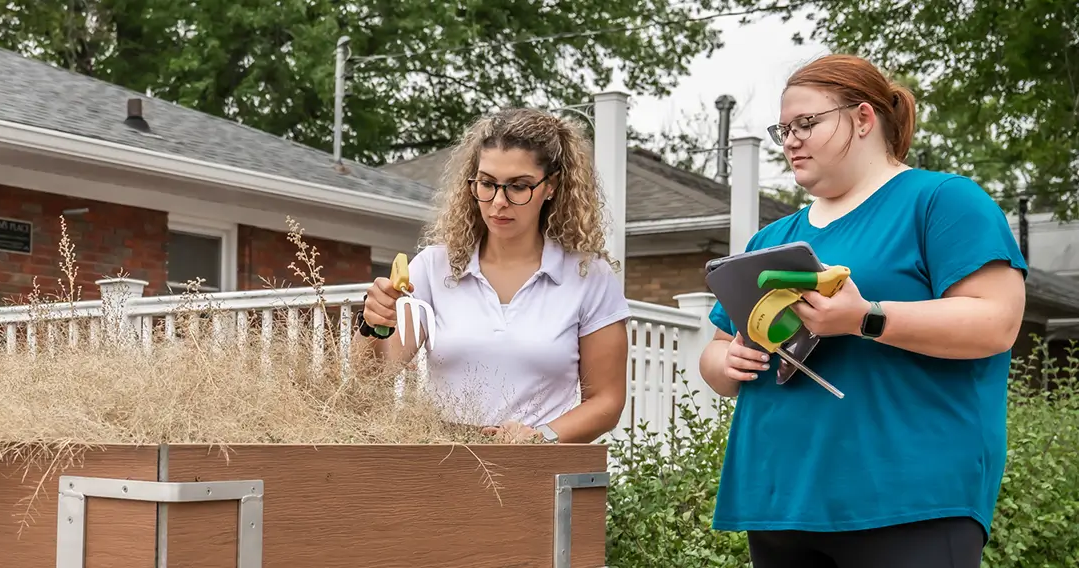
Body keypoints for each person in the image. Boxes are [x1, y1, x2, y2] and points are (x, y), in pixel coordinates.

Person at [697, 53, 1027, 567]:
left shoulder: (943, 201)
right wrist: (726, 363)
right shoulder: (771, 238)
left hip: (909, 500)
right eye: (782, 128)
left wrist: (864, 317)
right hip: (782, 501)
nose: (789, 139)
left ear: (864, 118)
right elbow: (717, 355)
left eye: (806, 122)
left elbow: (996, 322)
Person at [355, 107, 632, 444]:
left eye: (519, 186)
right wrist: (373, 324)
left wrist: (538, 437)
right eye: (487, 183)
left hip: (536, 475)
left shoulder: (589, 277)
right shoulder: (432, 267)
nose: (499, 202)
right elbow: (373, 376)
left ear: (552, 187)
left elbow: (607, 402)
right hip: (443, 466)